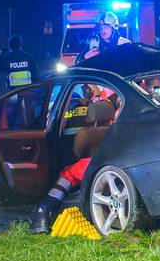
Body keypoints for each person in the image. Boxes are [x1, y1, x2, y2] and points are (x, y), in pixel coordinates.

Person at [33, 93, 118, 232]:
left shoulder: (84, 160)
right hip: (115, 160)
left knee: (68, 175)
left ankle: (44, 210)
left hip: (91, 166)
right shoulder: (114, 128)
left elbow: (70, 175)